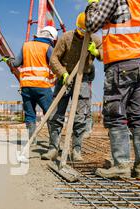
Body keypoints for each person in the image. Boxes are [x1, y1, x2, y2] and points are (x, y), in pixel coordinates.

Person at [85, 0, 140, 178]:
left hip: (122, 63)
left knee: (115, 114)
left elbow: (91, 25)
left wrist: (92, 6)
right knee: (138, 116)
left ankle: (121, 165)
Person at [41, 13, 102, 162]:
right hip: (65, 78)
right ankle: (53, 148)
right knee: (56, 115)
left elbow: (106, 56)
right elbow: (54, 58)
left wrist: (96, 52)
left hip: (83, 79)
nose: (83, 34)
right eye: (81, 31)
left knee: (80, 118)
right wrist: (62, 74)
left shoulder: (95, 39)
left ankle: (76, 150)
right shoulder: (66, 38)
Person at [10, 26, 58, 145]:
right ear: (51, 38)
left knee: (30, 115)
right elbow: (55, 64)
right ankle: (54, 143)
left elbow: (15, 63)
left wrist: (9, 60)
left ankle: (31, 141)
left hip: (26, 86)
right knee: (51, 114)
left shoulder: (26, 45)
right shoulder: (48, 47)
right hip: (42, 86)